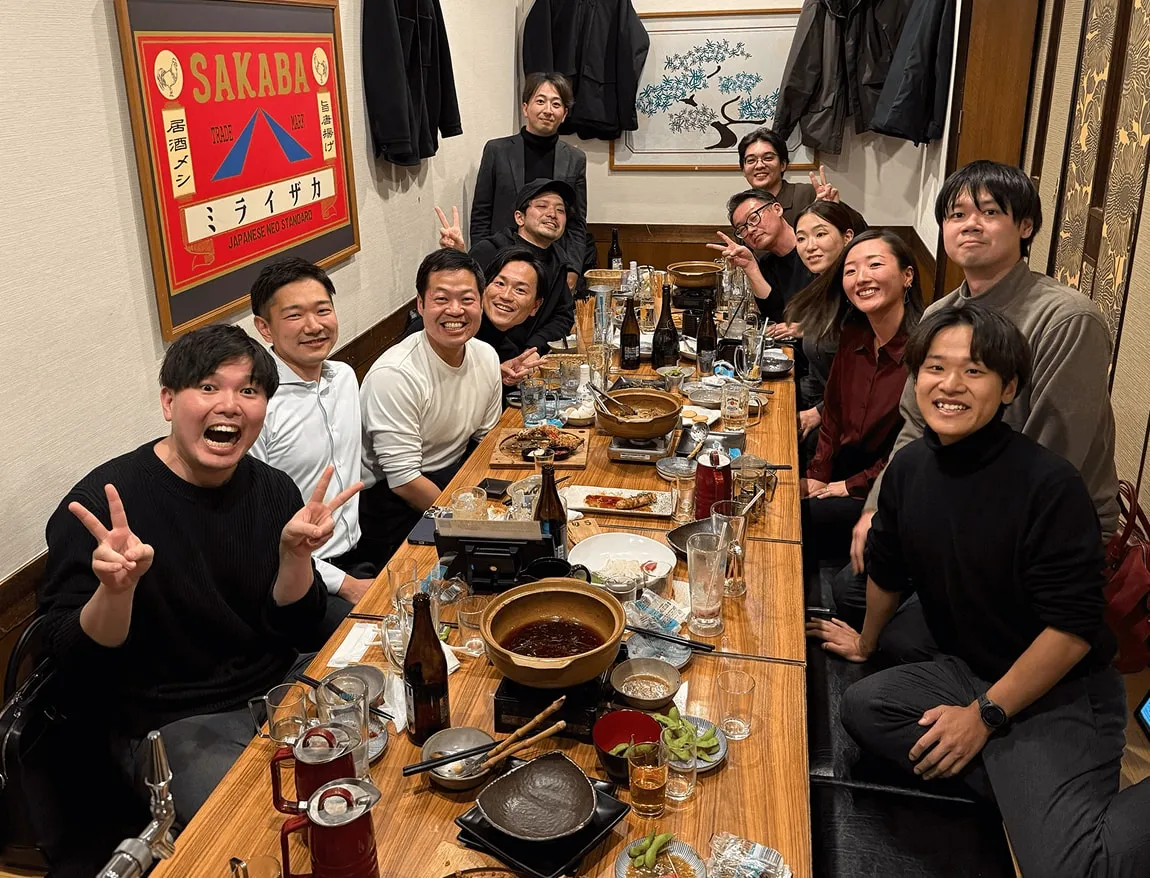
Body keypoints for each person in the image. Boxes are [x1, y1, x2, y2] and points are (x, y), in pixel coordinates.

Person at [808, 303, 1150, 878]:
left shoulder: (1048, 485)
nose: (950, 385)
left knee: (1077, 868)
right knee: (864, 709)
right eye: (935, 368)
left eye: (974, 371)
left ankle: (1042, 792)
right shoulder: (913, 466)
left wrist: (984, 717)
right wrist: (867, 644)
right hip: (968, 665)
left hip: (1060, 689)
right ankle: (1033, 791)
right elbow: (887, 572)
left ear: (1009, 386)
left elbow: (1070, 633)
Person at [38, 325, 359, 828]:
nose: (229, 405)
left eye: (248, 390)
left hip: (279, 688)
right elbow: (77, 670)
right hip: (173, 720)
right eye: (208, 387)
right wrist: (115, 591)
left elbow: (298, 627)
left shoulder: (272, 489)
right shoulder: (105, 507)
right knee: (259, 830)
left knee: (369, 763)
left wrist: (295, 557)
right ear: (168, 402)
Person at [843, 161, 1119, 613]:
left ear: (1025, 225)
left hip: (1044, 529)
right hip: (959, 495)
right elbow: (915, 427)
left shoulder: (1067, 319)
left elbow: (1052, 459)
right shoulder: (939, 316)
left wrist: (935, 526)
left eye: (989, 212)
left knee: (885, 618)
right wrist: (879, 507)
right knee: (854, 585)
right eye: (956, 214)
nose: (970, 224)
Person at [248, 258, 371, 635]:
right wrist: (347, 585)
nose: (314, 326)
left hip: (360, 553)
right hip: (297, 577)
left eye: (323, 310)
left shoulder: (344, 377)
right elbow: (259, 529)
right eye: (294, 315)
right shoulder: (257, 405)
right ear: (264, 328)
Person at [358, 248, 502, 560]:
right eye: (441, 299)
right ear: (420, 304)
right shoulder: (395, 374)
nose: (455, 310)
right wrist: (466, 524)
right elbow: (404, 481)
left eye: (467, 299)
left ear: (481, 302)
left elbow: (485, 441)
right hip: (394, 502)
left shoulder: (486, 355)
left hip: (455, 477)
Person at [800, 230, 924, 566]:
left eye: (875, 265)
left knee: (794, 518)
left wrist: (848, 486)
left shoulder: (925, 352)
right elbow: (834, 414)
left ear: (907, 275)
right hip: (843, 468)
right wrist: (818, 474)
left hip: (886, 488)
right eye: (850, 270)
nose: (862, 278)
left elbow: (912, 448)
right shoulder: (854, 335)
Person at [470, 73, 592, 285]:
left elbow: (576, 222)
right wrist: (484, 262)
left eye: (556, 104)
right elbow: (481, 213)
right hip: (502, 262)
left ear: (564, 114)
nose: (548, 110)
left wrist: (572, 269)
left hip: (553, 263)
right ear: (526, 108)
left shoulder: (575, 158)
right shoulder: (497, 150)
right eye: (540, 101)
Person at [438, 178, 577, 354]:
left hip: (525, 360)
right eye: (542, 206)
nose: (552, 214)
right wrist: (456, 258)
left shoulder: (558, 261)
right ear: (520, 217)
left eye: (560, 210)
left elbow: (562, 315)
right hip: (479, 356)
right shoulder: (490, 250)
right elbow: (465, 306)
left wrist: (533, 350)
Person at [404, 246, 547, 388]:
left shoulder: (507, 350)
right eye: (500, 283)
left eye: (520, 290)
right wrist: (488, 374)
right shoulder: (438, 327)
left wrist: (498, 376)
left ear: (535, 306)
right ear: (483, 289)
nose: (506, 296)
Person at [787, 201, 870, 444]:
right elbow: (819, 374)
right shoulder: (824, 289)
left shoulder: (857, 295)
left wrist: (817, 413)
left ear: (848, 237)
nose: (809, 246)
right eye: (801, 239)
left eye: (820, 234)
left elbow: (865, 379)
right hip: (825, 407)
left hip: (851, 426)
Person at [709, 189, 814, 332]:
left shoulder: (815, 250)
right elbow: (775, 318)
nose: (750, 230)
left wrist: (805, 329)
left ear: (777, 209)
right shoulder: (767, 263)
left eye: (753, 218)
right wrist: (750, 266)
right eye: (742, 228)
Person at [738, 128, 839, 226]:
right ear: (743, 169)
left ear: (783, 165)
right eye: (751, 160)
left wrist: (832, 213)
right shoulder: (743, 208)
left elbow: (852, 234)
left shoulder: (809, 194)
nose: (759, 165)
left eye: (768, 158)